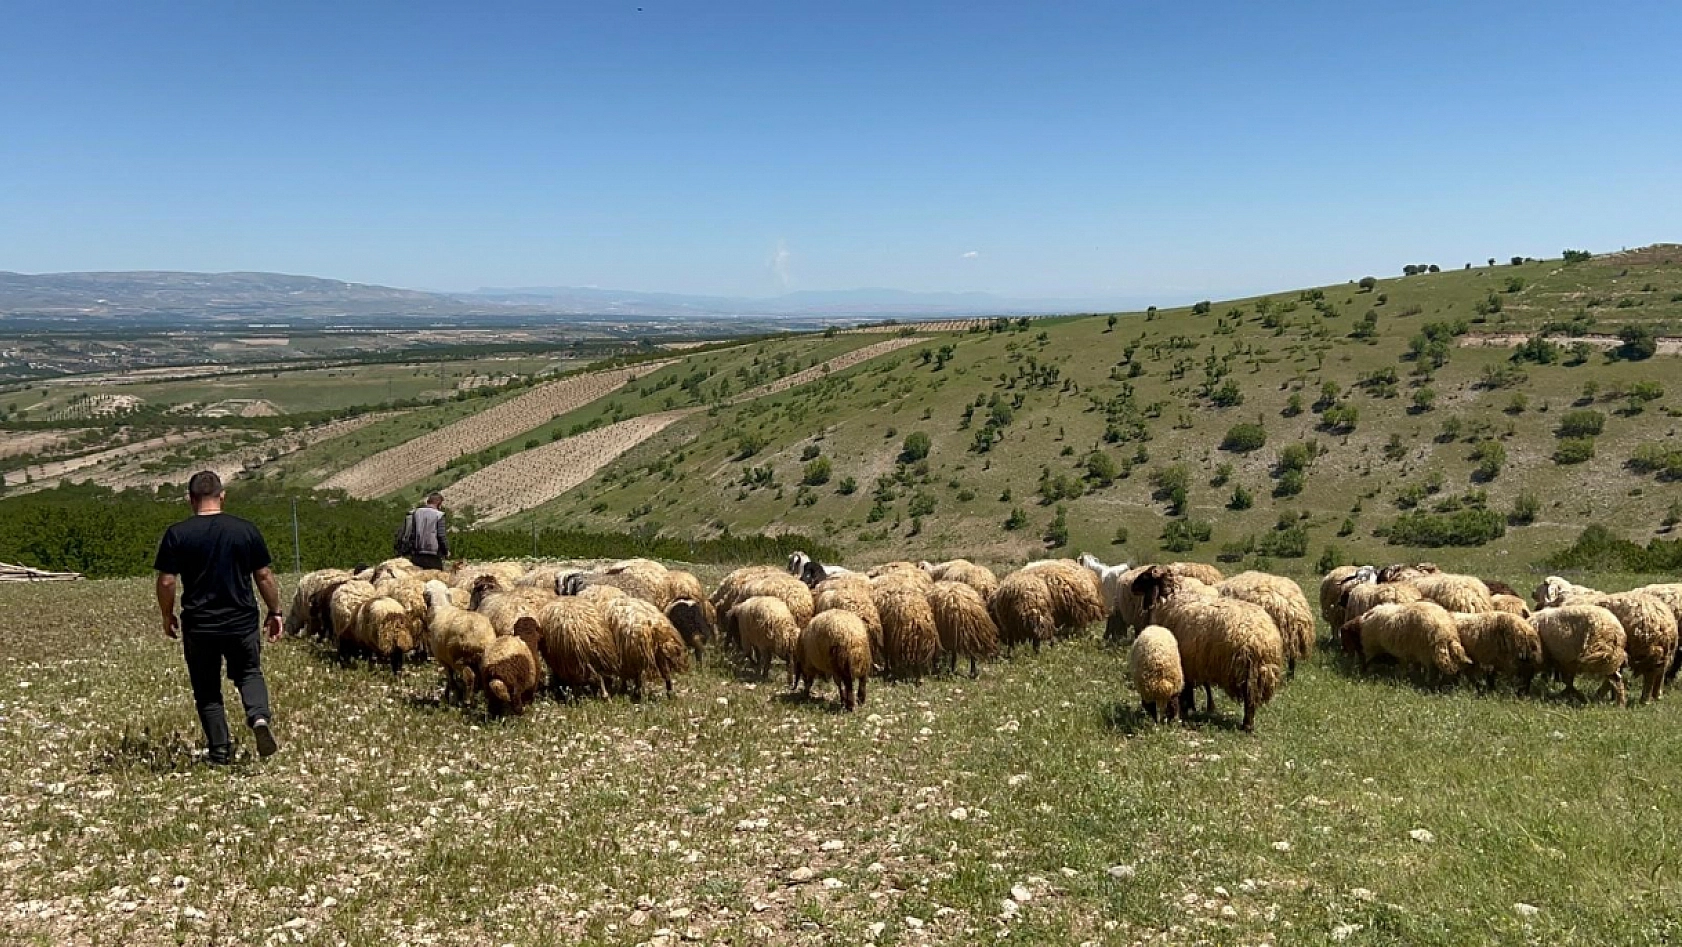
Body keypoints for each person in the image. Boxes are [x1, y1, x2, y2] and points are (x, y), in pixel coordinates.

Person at [153, 471, 283, 765]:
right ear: (223, 496)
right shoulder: (245, 530)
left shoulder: (177, 534)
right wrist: (275, 611)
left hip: (200, 624)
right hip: (241, 619)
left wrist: (166, 614)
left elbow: (166, 582)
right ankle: (259, 717)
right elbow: (263, 575)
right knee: (249, 672)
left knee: (207, 688)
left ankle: (220, 751)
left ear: (190, 499)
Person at [395, 491, 449, 570]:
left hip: (417, 555)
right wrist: (446, 551)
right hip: (433, 557)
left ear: (428, 502)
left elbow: (409, 533)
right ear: (439, 504)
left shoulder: (415, 513)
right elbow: (441, 536)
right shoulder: (439, 515)